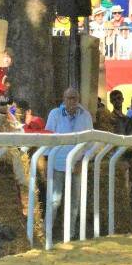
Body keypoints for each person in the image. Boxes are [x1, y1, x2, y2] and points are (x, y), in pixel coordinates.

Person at [45, 87, 94, 239]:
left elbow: (90, 142)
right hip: (57, 163)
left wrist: (83, 161)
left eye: (74, 98)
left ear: (78, 99)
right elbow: (48, 137)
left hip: (77, 164)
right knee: (54, 201)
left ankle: (70, 234)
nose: (71, 101)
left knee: (74, 202)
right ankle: (46, 234)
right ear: (63, 99)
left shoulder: (85, 115)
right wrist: (46, 161)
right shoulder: (55, 114)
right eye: (68, 98)